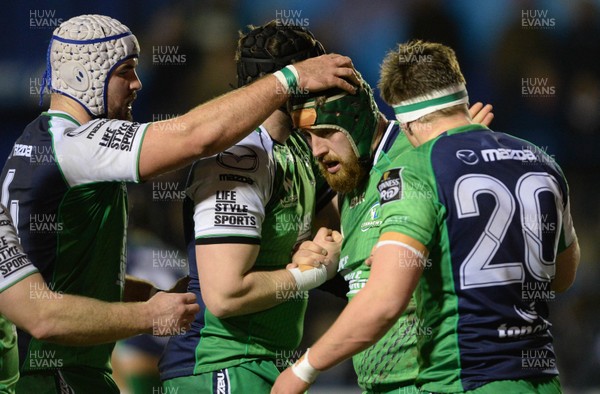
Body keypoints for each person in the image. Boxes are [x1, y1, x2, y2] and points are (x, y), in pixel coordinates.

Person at [0, 14, 357, 393]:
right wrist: (290, 79)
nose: (138, 84)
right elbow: (193, 137)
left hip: (76, 372)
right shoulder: (75, 144)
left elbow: (56, 281)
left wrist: (151, 297)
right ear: (83, 78)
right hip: (46, 378)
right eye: (125, 72)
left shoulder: (40, 144)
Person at [272, 40, 580, 394]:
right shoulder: (540, 160)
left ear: (403, 120)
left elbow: (385, 301)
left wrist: (303, 369)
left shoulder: (414, 170)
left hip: (464, 381)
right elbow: (562, 277)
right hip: (543, 381)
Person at [159, 21, 343, 393]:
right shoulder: (238, 158)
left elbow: (336, 233)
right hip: (220, 366)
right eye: (319, 77)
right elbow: (227, 295)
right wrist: (313, 272)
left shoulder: (297, 148)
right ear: (298, 83)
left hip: (266, 364)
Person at [285, 73, 492, 393]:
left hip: (436, 382)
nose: (317, 151)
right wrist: (326, 264)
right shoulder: (353, 176)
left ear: (358, 120)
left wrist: (304, 369)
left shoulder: (424, 156)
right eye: (309, 138)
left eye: (325, 133)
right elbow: (366, 285)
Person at [0, 204, 198, 392]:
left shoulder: (127, 251)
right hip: (176, 358)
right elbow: (41, 315)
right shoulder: (164, 251)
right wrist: (151, 312)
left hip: (141, 361)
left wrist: (152, 304)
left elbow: (48, 296)